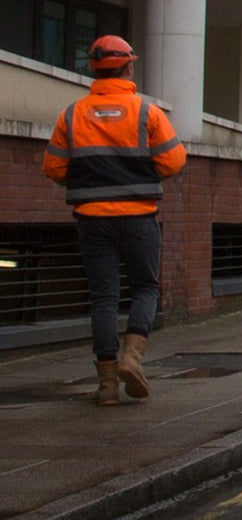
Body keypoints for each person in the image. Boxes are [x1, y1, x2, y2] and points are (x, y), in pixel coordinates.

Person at [42, 35, 186, 406]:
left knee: (103, 298)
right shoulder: (146, 113)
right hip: (139, 216)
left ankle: (107, 386)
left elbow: (53, 168)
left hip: (91, 220)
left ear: (94, 68)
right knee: (145, 288)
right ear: (128, 67)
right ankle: (132, 358)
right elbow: (173, 162)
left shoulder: (72, 115)